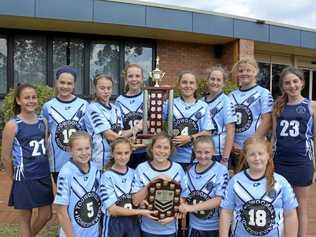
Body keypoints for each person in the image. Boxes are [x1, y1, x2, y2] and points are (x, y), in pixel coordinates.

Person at [220, 136, 298, 237]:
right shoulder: (235, 181)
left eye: (260, 154)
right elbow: (226, 213)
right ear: (245, 157)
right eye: (252, 154)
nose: (257, 158)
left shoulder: (281, 182)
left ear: (268, 156)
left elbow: (290, 215)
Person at [1, 84, 53, 237]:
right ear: (18, 101)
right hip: (25, 177)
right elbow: (5, 156)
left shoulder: (42, 122)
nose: (31, 101)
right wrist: (14, 178)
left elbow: (45, 148)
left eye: (33, 97)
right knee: (25, 218)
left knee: (46, 214)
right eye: (26, 98)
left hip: (43, 175)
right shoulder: (13, 125)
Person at [272, 66, 316, 237]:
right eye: (287, 83)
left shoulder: (311, 106)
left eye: (295, 81)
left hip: (302, 162)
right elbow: (274, 138)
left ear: (302, 83)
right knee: (283, 207)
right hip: (280, 163)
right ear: (283, 86)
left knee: (301, 208)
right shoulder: (279, 105)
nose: (292, 86)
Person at [132, 132, 188, 237]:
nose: (161, 151)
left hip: (170, 229)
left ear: (171, 150)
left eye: (166, 148)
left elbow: (183, 198)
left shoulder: (177, 169)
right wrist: (153, 182)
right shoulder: (141, 168)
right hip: (147, 228)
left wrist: (172, 215)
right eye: (158, 147)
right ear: (151, 148)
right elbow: (135, 201)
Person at [100, 137, 155, 237]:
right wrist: (141, 211)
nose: (123, 156)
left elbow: (136, 200)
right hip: (114, 223)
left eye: (126, 153)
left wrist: (142, 204)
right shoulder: (106, 176)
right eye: (119, 153)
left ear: (131, 153)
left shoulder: (134, 173)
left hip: (133, 222)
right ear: (112, 154)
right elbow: (113, 210)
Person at [41, 65, 88, 183]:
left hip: (79, 161)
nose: (65, 86)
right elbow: (44, 134)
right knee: (60, 198)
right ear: (56, 83)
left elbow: (88, 134)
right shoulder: (48, 106)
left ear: (74, 85)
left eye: (69, 83)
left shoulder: (83, 105)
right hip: (57, 162)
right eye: (62, 82)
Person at [228, 58, 273, 171]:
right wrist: (231, 143)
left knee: (257, 183)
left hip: (255, 150)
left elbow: (267, 121)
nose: (244, 73)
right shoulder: (231, 95)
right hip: (235, 149)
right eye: (241, 71)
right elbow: (228, 123)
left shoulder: (263, 93)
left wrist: (249, 146)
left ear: (256, 72)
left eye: (248, 70)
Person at [54, 131, 102, 237]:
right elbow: (61, 212)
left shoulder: (95, 169)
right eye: (79, 149)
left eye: (87, 148)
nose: (84, 153)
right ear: (71, 151)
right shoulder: (66, 172)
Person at [179, 135, 228, 237]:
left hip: (214, 227)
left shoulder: (221, 170)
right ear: (194, 151)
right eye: (199, 152)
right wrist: (181, 206)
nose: (203, 156)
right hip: (194, 227)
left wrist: (191, 208)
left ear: (213, 151)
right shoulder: (189, 171)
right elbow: (184, 196)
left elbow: (219, 200)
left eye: (207, 152)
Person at [165, 71, 214, 168]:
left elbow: (208, 132)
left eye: (191, 83)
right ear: (178, 85)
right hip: (173, 157)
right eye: (184, 82)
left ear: (196, 86)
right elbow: (156, 122)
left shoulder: (203, 106)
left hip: (196, 158)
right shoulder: (170, 103)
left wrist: (190, 138)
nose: (188, 86)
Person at [202, 66, 236, 166]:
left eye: (218, 80)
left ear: (223, 83)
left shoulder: (227, 101)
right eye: (212, 79)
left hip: (219, 154)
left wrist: (225, 158)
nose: (215, 82)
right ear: (207, 81)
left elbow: (230, 131)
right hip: (202, 153)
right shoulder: (201, 102)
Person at [115, 64, 146, 169]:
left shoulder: (149, 97)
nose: (134, 79)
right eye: (130, 76)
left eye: (137, 76)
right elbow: (119, 131)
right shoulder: (119, 100)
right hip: (127, 152)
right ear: (126, 79)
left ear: (142, 78)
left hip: (147, 151)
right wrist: (136, 128)